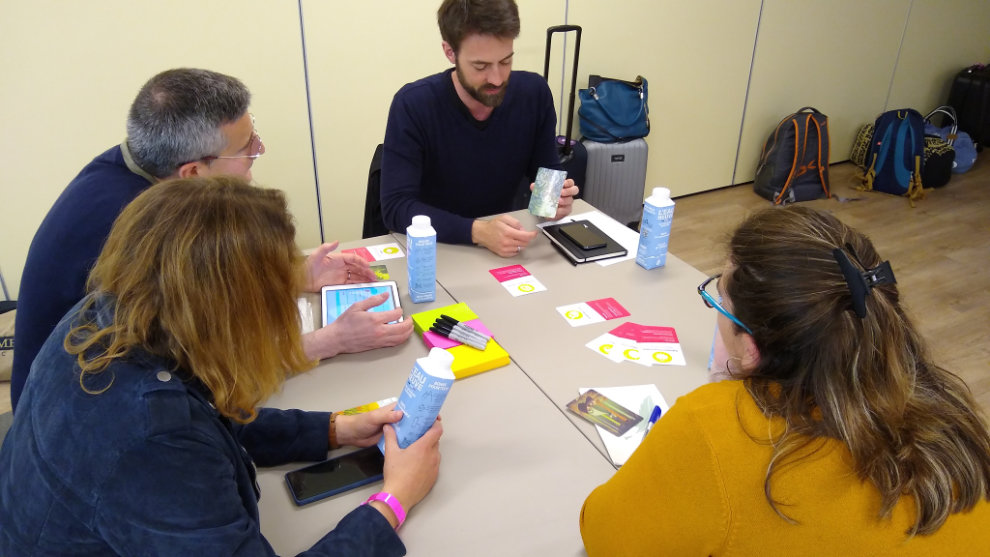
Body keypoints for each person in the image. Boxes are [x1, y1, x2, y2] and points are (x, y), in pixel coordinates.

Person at [0, 177, 442, 556]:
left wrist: (333, 429)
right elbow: (174, 433)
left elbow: (204, 414)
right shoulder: (151, 437)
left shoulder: (109, 313)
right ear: (229, 310)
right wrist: (395, 499)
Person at [580, 206, 990, 554]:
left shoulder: (716, 426)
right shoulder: (954, 417)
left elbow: (602, 536)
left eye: (719, 299)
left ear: (753, 346)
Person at [11, 67, 412, 410]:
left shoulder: (140, 167)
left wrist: (293, 277)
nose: (253, 166)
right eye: (247, 152)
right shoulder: (134, 229)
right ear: (192, 174)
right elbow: (206, 372)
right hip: (83, 413)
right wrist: (329, 341)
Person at [380, 0, 579, 258]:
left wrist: (553, 202)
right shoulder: (414, 105)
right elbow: (396, 207)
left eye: (506, 61)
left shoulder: (534, 94)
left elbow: (546, 175)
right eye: (481, 67)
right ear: (450, 52)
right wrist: (478, 231)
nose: (497, 78)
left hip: (504, 249)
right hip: (433, 252)